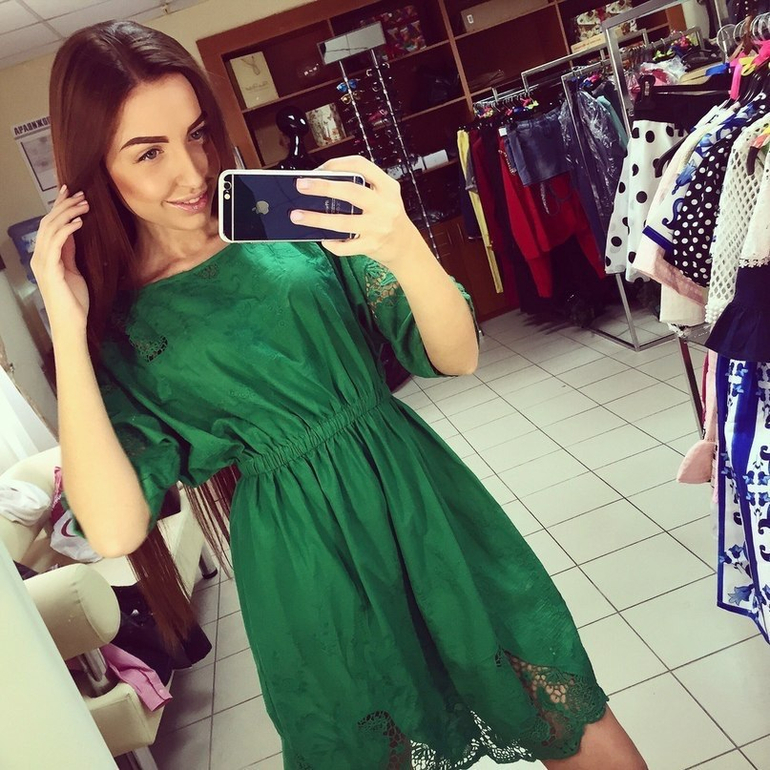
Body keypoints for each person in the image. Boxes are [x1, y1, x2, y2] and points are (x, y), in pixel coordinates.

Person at [33, 20, 647, 770]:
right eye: (148, 152)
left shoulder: (289, 220)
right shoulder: (121, 328)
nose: (191, 173)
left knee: (566, 709)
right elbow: (114, 528)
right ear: (95, 167)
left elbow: (455, 355)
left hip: (421, 500)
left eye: (195, 134)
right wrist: (67, 324)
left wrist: (401, 242)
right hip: (302, 560)